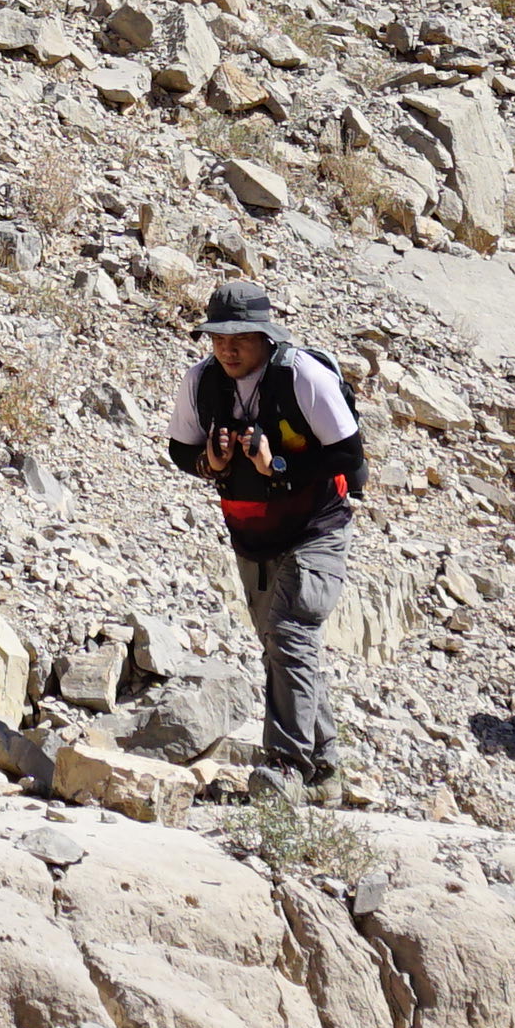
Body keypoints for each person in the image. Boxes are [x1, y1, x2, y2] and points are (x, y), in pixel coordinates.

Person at [162, 281, 361, 795]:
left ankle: (286, 769)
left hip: (316, 527)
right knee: (280, 644)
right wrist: (213, 463)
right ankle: (324, 767)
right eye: (217, 337)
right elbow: (180, 451)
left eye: (241, 337)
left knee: (292, 633)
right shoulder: (202, 382)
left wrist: (280, 465)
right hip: (251, 533)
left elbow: (347, 454)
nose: (227, 348)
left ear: (266, 337)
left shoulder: (302, 377)